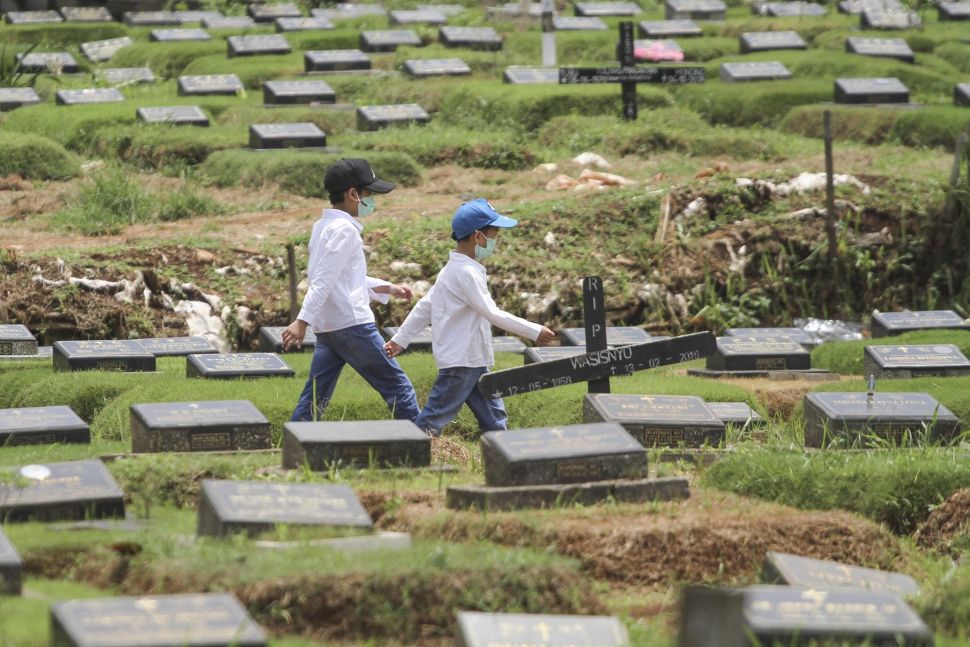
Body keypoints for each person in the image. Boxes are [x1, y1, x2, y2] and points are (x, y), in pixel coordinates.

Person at [384, 198, 556, 437]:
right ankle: (409, 454)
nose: (495, 240)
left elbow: (425, 308)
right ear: (478, 237)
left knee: (495, 418)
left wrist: (400, 339)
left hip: (473, 360)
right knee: (433, 418)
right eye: (494, 234)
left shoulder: (453, 270)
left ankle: (504, 457)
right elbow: (492, 313)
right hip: (461, 363)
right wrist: (534, 331)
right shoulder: (465, 274)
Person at [282, 158, 419, 423]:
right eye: (368, 194)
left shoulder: (321, 227)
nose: (371, 200)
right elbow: (323, 280)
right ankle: (425, 445)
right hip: (353, 326)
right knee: (399, 388)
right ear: (353, 194)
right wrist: (301, 321)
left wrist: (386, 287)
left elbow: (342, 278)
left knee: (314, 397)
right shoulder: (345, 230)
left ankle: (294, 446)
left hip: (330, 328)